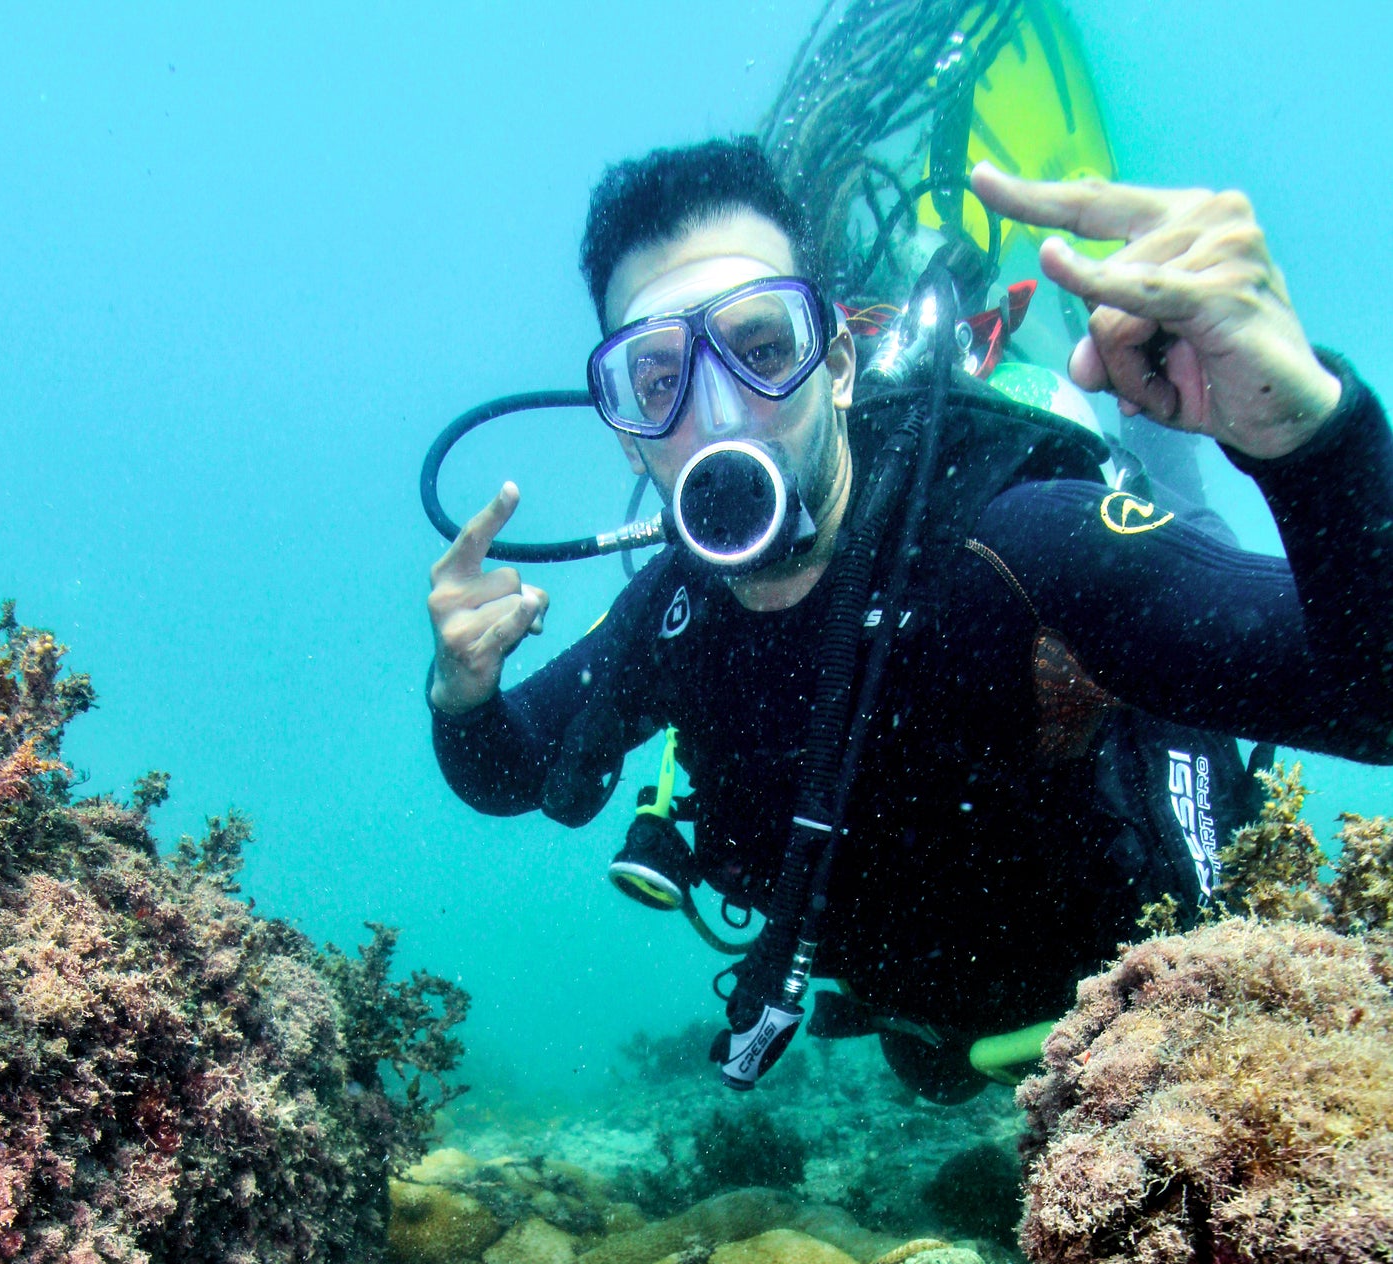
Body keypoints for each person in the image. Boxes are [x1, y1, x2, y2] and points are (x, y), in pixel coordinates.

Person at [427, 138, 1393, 1096]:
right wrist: (462, 692)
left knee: (1184, 527)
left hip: (1137, 1038)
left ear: (838, 366)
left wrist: (1308, 433)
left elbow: (1378, 698)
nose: (717, 411)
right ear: (630, 437)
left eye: (763, 347)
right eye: (658, 377)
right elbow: (512, 770)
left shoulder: (1017, 544)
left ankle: (1149, 434)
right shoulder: (671, 613)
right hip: (929, 1038)